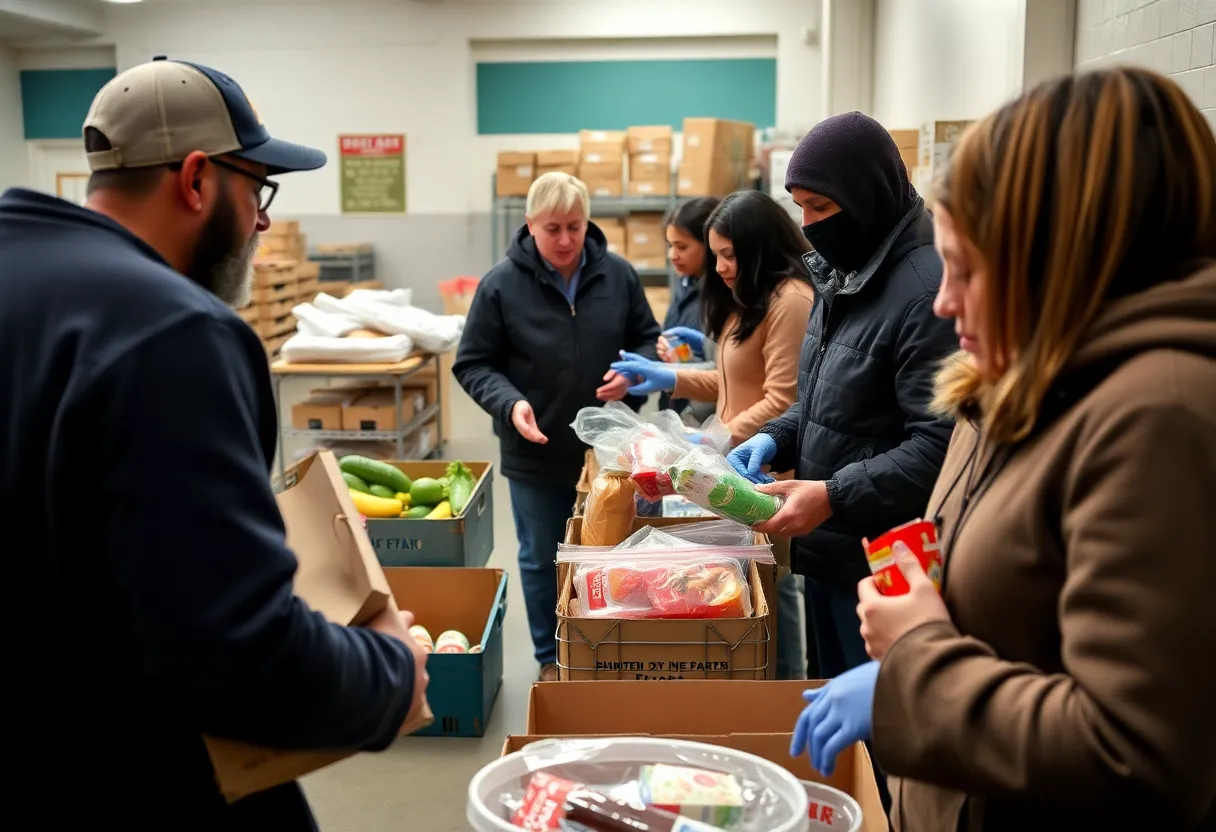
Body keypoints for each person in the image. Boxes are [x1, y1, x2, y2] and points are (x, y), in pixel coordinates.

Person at [0, 57, 428, 828]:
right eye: (255, 188)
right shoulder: (174, 332)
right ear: (197, 180)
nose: (262, 220)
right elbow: (239, 659)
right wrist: (393, 675)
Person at [793, 67, 1216, 831]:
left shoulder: (1161, 414)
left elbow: (1134, 755)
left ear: (1060, 254)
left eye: (967, 269)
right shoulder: (1020, 377)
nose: (945, 301)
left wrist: (915, 663)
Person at [727, 113, 958, 682]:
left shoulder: (926, 292)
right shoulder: (843, 273)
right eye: (800, 207)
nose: (808, 226)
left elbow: (939, 446)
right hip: (830, 553)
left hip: (886, 570)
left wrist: (833, 494)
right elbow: (826, 401)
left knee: (877, 747)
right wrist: (774, 435)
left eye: (822, 209)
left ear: (867, 196)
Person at [454, 172, 661, 683]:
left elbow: (646, 340)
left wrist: (630, 379)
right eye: (553, 229)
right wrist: (510, 403)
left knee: (611, 550)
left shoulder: (618, 275)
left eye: (574, 226)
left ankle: (609, 649)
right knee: (543, 555)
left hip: (608, 451)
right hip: (535, 450)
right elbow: (474, 363)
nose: (566, 239)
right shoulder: (499, 284)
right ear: (529, 225)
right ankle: (552, 658)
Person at [611, 190, 815, 681]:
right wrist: (672, 379)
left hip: (768, 473)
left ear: (759, 248)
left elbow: (781, 400)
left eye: (729, 254)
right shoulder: (751, 298)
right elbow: (732, 384)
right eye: (716, 253)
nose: (719, 266)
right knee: (744, 585)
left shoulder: (791, 302)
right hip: (735, 469)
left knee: (773, 589)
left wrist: (713, 439)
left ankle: (781, 688)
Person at [656, 196, 720, 422]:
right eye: (670, 245)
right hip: (678, 412)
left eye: (682, 246)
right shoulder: (685, 284)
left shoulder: (722, 297)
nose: (672, 255)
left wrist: (686, 362)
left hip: (705, 421)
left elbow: (726, 376)